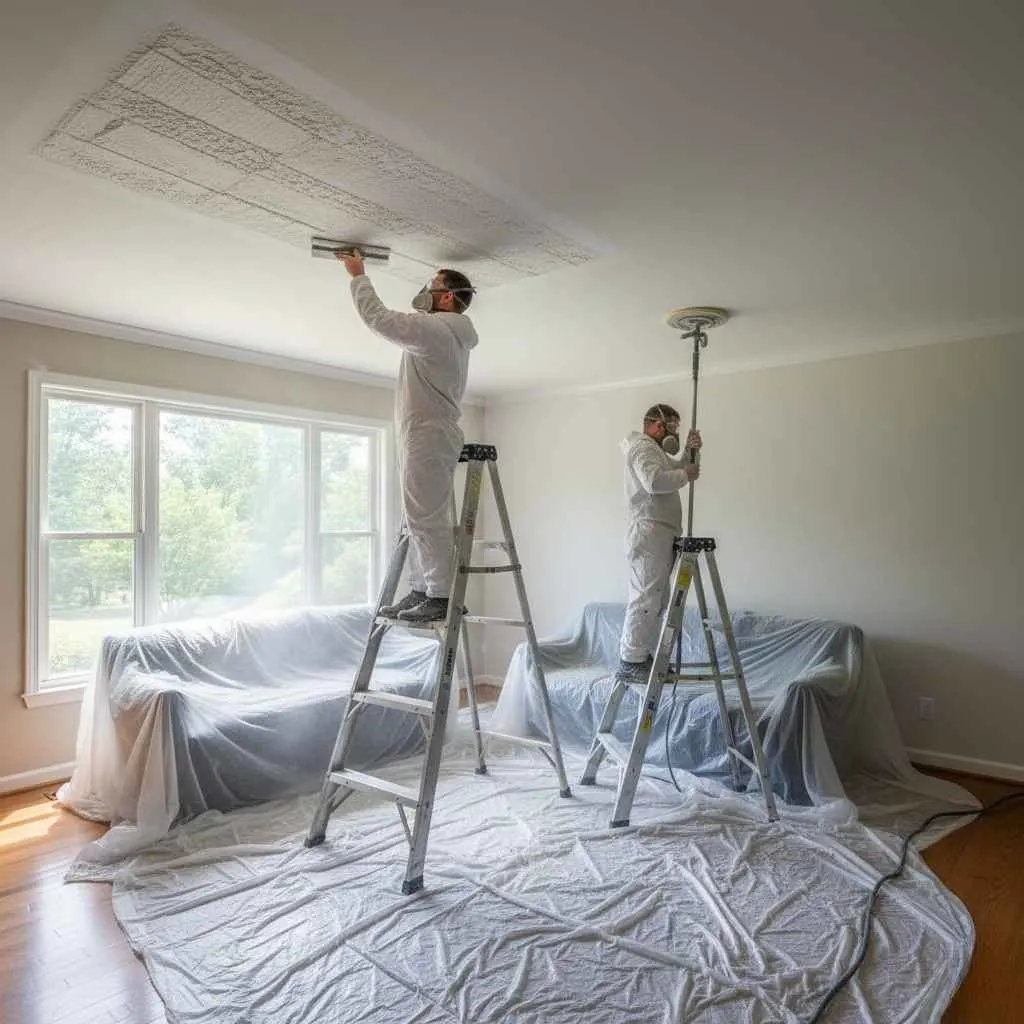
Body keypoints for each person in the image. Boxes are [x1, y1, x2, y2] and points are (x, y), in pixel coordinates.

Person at [337, 251, 478, 623]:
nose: (427, 291)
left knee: (425, 518)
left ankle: (441, 595)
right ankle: (422, 588)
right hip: (430, 432)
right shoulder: (451, 336)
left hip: (428, 433)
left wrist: (357, 274)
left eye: (433, 285)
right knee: (419, 516)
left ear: (447, 297)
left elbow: (379, 319)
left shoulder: (436, 330)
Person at [617, 403, 702, 683]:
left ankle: (645, 658)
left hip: (661, 532)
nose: (674, 433)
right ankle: (631, 660)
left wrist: (690, 453)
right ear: (656, 425)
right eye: (673, 427)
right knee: (645, 597)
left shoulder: (655, 451)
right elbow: (654, 481)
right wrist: (685, 474)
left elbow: (675, 470)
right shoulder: (642, 447)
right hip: (650, 531)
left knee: (656, 599)